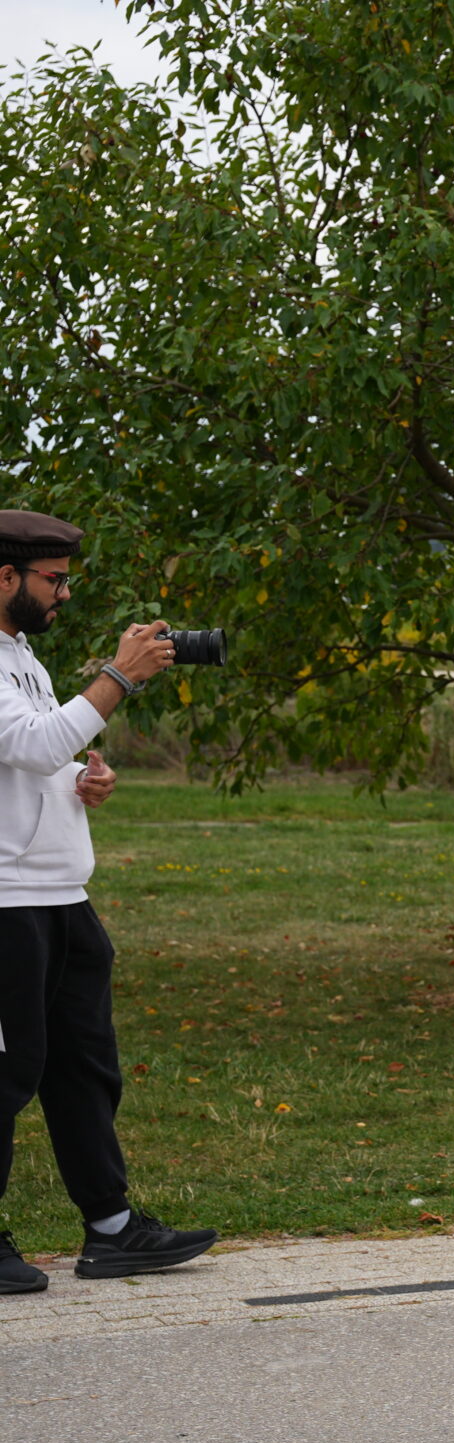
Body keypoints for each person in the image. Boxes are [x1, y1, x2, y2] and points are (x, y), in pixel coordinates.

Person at [0, 510, 219, 1293]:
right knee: (6, 1073)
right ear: (4, 577)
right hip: (8, 903)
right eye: (53, 580)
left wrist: (78, 779)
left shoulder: (20, 655)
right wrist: (119, 675)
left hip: (60, 894)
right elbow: (31, 743)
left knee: (84, 1067)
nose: (63, 594)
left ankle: (113, 1228)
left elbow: (32, 756)